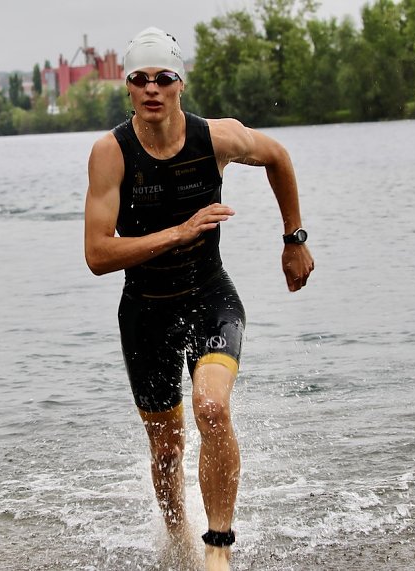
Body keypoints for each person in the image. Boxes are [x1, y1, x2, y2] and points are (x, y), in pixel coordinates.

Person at [83, 27, 314, 570]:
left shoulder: (217, 138)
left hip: (210, 294)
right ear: (129, 88)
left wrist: (293, 239)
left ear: (180, 82)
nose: (151, 89)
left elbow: (278, 156)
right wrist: (178, 232)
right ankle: (177, 538)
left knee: (212, 408)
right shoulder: (111, 154)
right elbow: (97, 254)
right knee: (166, 449)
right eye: (139, 80)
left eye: (163, 77)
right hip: (145, 309)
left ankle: (217, 549)